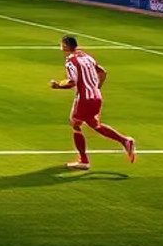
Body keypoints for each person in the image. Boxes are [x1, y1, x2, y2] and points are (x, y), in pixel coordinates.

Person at [49, 35, 136, 169]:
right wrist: (97, 88)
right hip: (96, 97)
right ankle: (125, 141)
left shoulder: (70, 61)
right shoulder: (87, 57)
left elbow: (72, 82)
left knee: (75, 124)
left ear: (65, 46)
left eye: (61, 44)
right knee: (94, 124)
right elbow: (103, 72)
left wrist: (58, 85)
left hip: (84, 99)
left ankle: (83, 160)